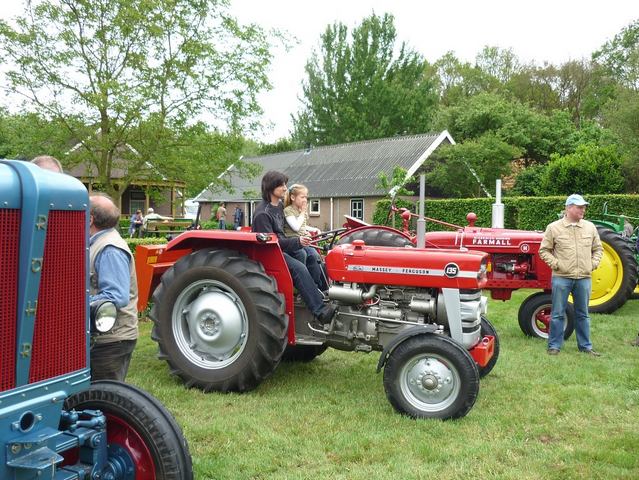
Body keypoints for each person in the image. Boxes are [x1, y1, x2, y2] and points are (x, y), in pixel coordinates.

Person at [252, 171, 336, 326]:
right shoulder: (262, 214)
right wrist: (297, 241)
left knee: (313, 255)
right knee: (299, 268)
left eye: (285, 184)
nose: (285, 188)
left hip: (283, 246)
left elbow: (288, 230)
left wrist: (304, 235)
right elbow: (272, 243)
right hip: (271, 252)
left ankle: (326, 293)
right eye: (281, 185)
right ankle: (320, 311)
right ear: (271, 187)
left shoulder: (279, 206)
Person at [539, 194, 603, 356]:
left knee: (583, 314)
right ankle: (554, 346)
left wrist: (593, 264)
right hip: (561, 277)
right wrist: (556, 264)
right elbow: (544, 250)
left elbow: (598, 249)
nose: (583, 210)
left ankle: (585, 347)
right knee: (557, 313)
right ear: (568, 208)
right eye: (579, 207)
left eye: (584, 207)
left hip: (584, 278)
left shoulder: (590, 227)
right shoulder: (554, 227)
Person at [89, 193, 139, 381]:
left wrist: (76, 304)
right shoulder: (101, 243)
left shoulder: (110, 249)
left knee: (104, 395)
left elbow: (116, 296)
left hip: (110, 341)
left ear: (90, 219)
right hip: (107, 338)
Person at [283, 183, 328, 291]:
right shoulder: (288, 210)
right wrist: (303, 212)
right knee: (302, 254)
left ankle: (315, 285)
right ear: (293, 197)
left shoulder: (300, 211)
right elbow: (296, 227)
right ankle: (300, 286)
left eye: (306, 197)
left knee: (314, 256)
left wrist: (313, 229)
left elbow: (303, 226)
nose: (305, 200)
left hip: (302, 241)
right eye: (302, 197)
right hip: (293, 242)